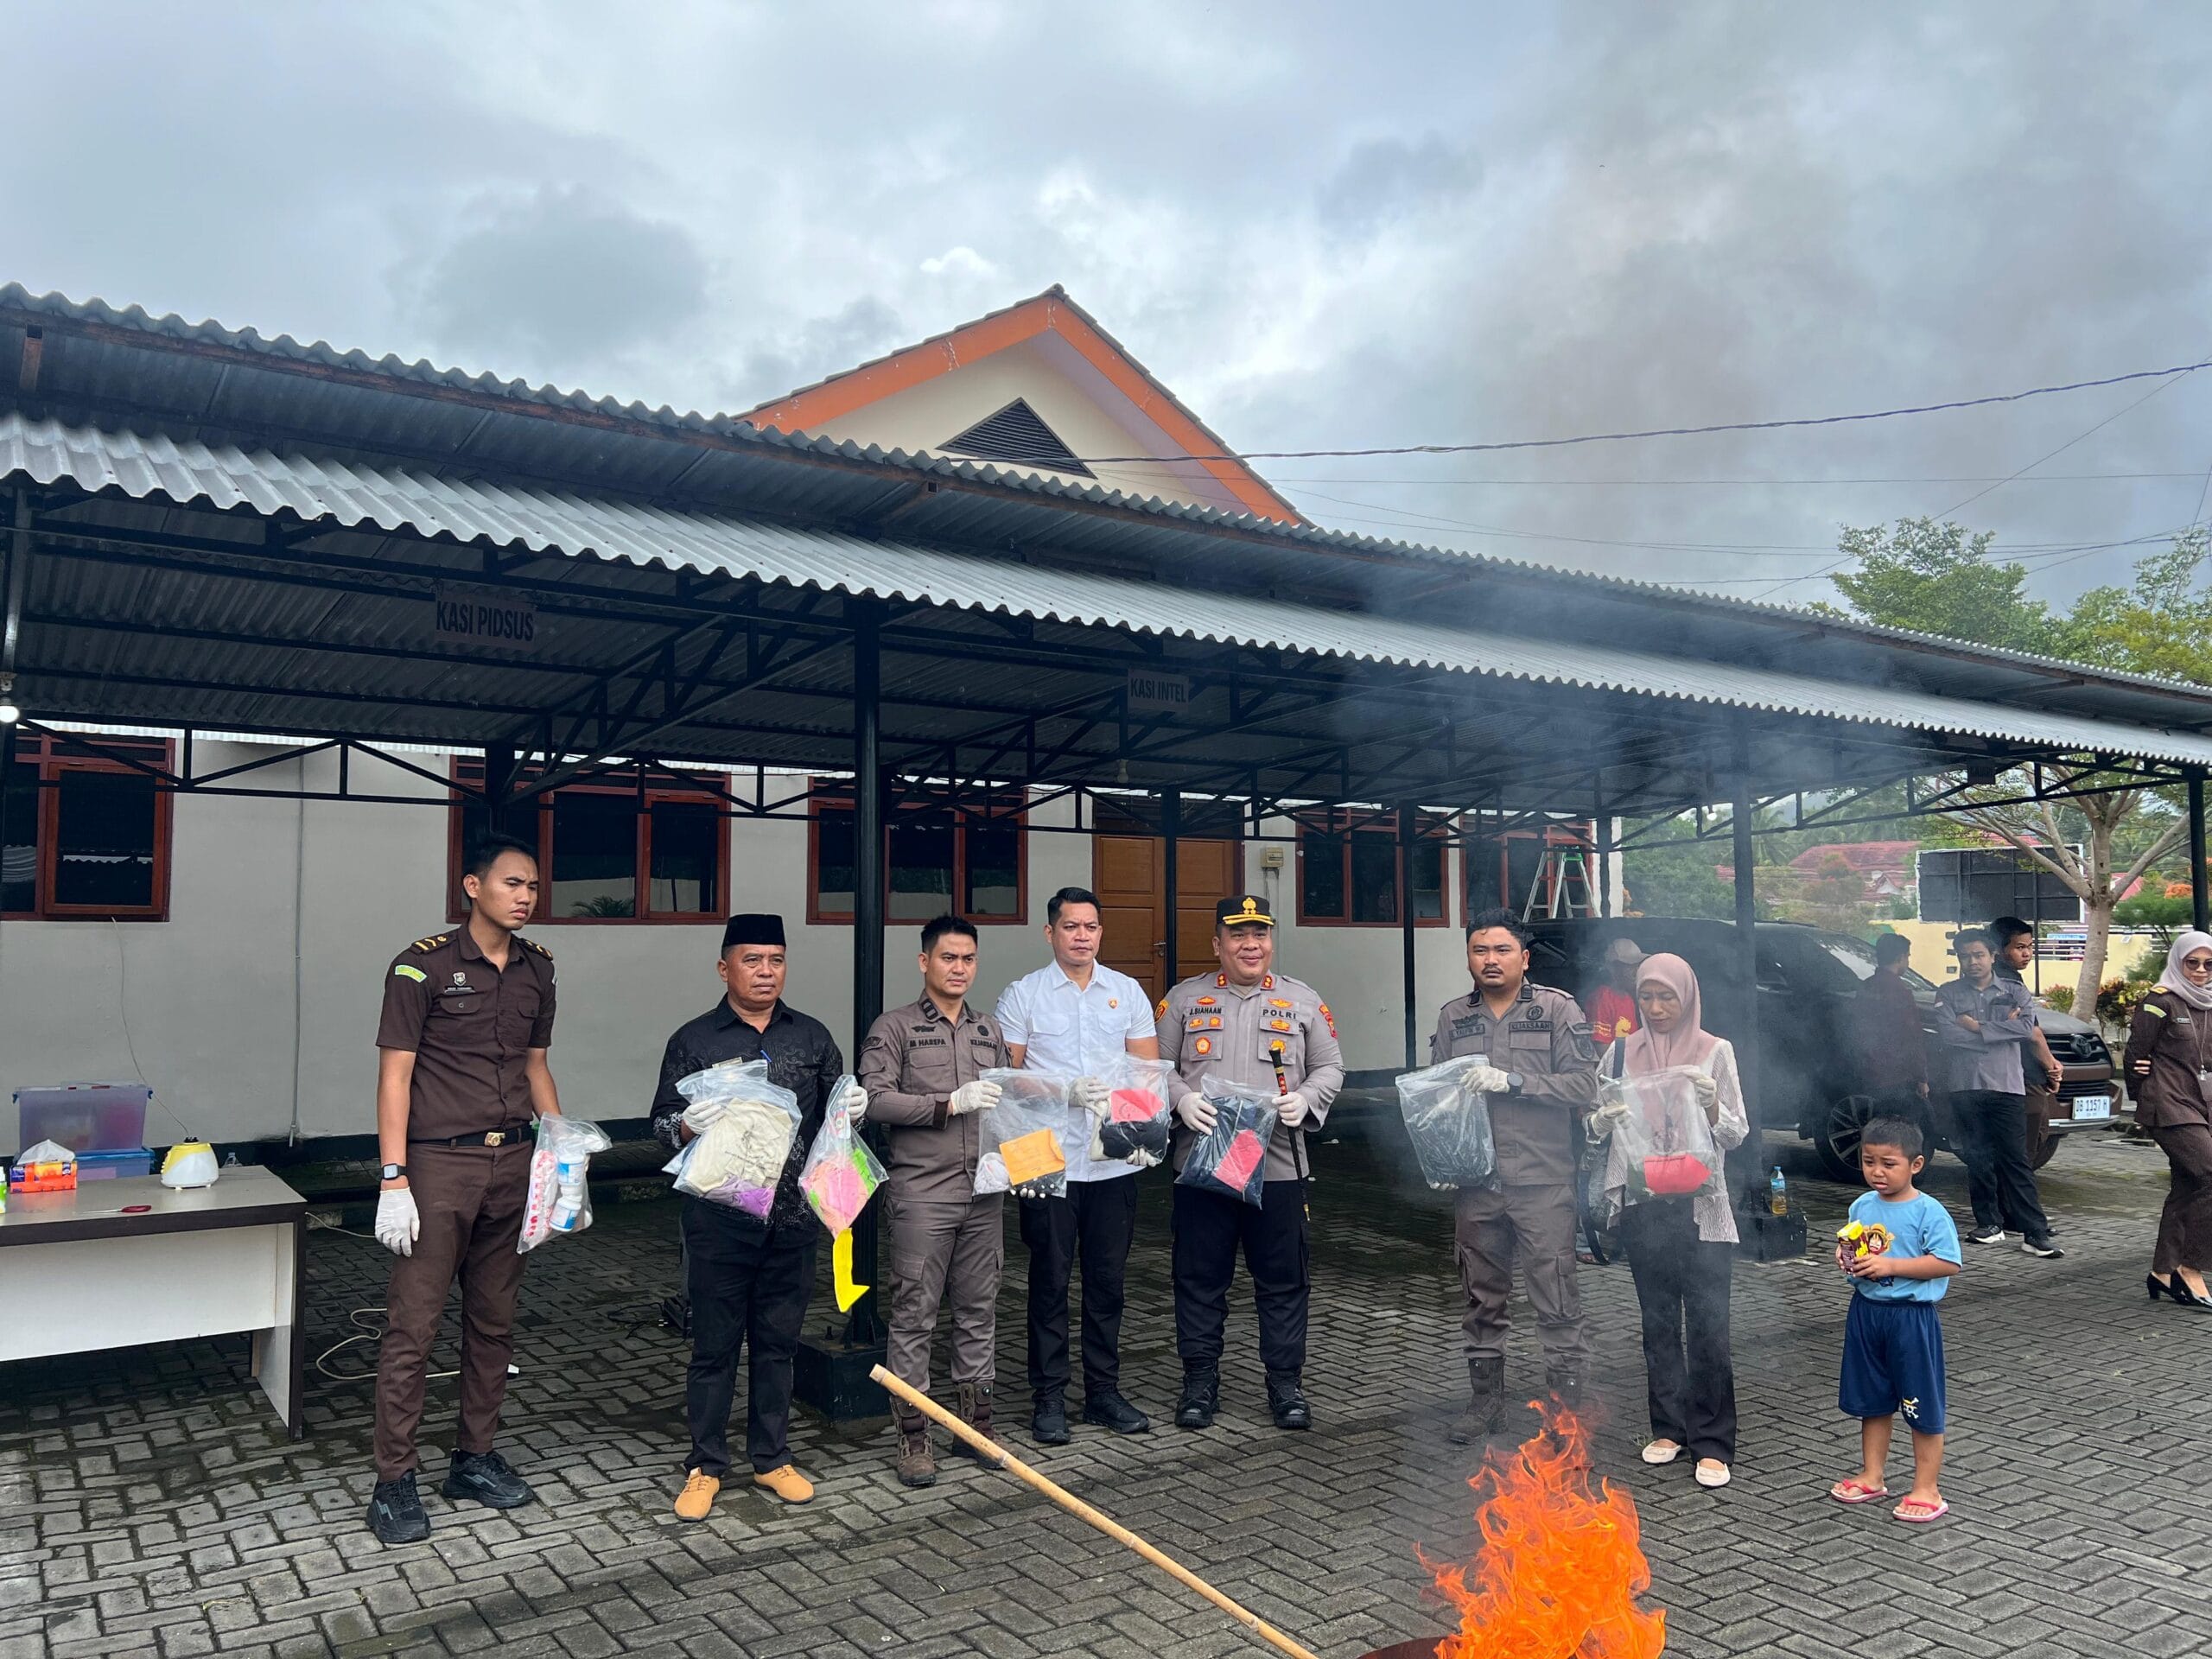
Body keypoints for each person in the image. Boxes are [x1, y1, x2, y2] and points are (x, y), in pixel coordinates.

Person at [367, 834, 561, 1545]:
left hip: (513, 1163)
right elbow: (395, 1076)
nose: (525, 896)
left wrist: (561, 1151)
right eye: (512, 883)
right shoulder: (421, 966)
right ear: (473, 887)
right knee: (413, 1328)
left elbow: (536, 1065)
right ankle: (394, 1479)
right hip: (438, 1167)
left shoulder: (538, 969)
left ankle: (473, 1458)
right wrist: (393, 1177)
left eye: (532, 886)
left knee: (494, 1322)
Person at [652, 914, 852, 1522]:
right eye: (752, 960)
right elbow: (660, 1124)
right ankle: (706, 1465)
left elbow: (835, 1124)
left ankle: (771, 1457)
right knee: (714, 1349)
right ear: (725, 968)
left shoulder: (811, 1037)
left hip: (792, 1222)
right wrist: (688, 1125)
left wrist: (854, 1108)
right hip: (719, 1222)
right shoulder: (694, 1040)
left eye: (776, 960)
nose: (766, 972)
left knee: (777, 1346)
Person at [1157, 894, 1344, 1432]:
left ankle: (1285, 1384)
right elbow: (1153, 1067)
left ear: (1270, 941)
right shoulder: (1184, 999)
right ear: (1217, 943)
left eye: (1259, 933)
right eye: (1237, 934)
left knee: (1283, 1281)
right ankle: (1199, 1383)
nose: (1250, 945)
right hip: (1204, 1165)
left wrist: (1307, 1097)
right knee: (1199, 1278)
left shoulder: (1302, 1001)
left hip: (1279, 1166)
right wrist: (1178, 1100)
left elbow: (1331, 1067)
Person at [995, 886, 1160, 1446]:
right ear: (1050, 933)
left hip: (1112, 1158)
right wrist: (1064, 1090)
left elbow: (1145, 1072)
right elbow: (1008, 1077)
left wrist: (1135, 1126)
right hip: (1043, 1154)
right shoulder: (1024, 995)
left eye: (1091, 927)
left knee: (1107, 1281)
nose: (1082, 936)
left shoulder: (1126, 991)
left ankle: (1102, 1393)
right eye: (1071, 926)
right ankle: (1048, 1397)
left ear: (1100, 932)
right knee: (1048, 1280)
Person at [1432, 906, 1599, 1443]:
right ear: (1468, 958)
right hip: (1477, 1184)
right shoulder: (1453, 1017)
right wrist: (1441, 1157)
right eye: (1480, 950)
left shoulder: (1556, 1009)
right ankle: (1486, 1405)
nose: (1491, 960)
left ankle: (1564, 1416)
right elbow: (1440, 1098)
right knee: (1481, 1299)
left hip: (1542, 1182)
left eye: (1502, 950)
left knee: (1557, 1299)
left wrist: (1515, 1081)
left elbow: (1585, 1085)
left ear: (1524, 958)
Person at [859, 914, 1010, 1487]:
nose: (959, 968)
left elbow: (1011, 1103)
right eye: (948, 957)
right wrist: (948, 1103)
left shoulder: (988, 1030)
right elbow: (875, 1099)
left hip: (983, 1194)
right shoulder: (894, 1027)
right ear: (925, 962)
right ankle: (914, 1437)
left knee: (978, 1312)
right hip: (923, 1194)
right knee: (914, 1316)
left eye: (968, 959)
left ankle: (975, 1428)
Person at [1588, 953, 1748, 1488]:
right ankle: (1669, 1427)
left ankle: (1713, 1440)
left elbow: (1736, 1134)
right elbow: (1595, 1123)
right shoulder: (1619, 1052)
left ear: (1688, 996)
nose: (1656, 1008)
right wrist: (1599, 1122)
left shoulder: (1715, 1051)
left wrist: (1712, 1105)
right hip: (1644, 1205)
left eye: (1667, 997)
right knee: (1657, 1323)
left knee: (1708, 1325)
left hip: (1701, 1208)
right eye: (1647, 996)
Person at [1828, 1116, 1961, 1524]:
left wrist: (1892, 1266)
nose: (1877, 1172)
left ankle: (1927, 1488)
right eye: (1869, 1162)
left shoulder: (1929, 1211)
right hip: (1866, 1313)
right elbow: (1855, 1244)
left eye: (1889, 1163)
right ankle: (1872, 1475)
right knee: (1873, 1400)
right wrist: (1845, 1257)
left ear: (1915, 1165)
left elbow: (1947, 1263)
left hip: (1911, 1319)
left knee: (1921, 1401)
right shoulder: (1861, 1205)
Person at [1933, 930, 2061, 1258]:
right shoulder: (1947, 993)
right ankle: (1989, 1224)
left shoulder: (2014, 990)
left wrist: (1976, 1028)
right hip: (1966, 1086)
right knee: (1977, 1157)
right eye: (1964, 956)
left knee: (2016, 1160)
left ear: (1992, 956)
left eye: (1978, 955)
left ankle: (2034, 1232)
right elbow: (1948, 1036)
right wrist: (2000, 1031)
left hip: (2007, 1086)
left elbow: (2026, 1029)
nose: (1972, 962)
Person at [2124, 931, 2212, 1311]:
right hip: (2169, 1103)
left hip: (2202, 1103)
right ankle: (2190, 1268)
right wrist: (2144, 1096)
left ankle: (2162, 1272)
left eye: (2209, 964)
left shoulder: (2209, 1003)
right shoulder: (2159, 1001)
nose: (2200, 971)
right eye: (2192, 963)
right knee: (2209, 1175)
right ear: (2178, 962)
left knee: (2189, 1184)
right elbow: (2135, 1056)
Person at [1987, 917, 2066, 1167]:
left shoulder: (1987, 978)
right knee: (2025, 1148)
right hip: (2022, 1076)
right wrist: (2052, 1067)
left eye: (2030, 947)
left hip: (2000, 1076)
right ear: (1999, 950)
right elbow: (2032, 1033)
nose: (2027, 954)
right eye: (2019, 947)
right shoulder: (2007, 982)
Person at [1852, 933, 1929, 1119]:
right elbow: (1912, 1036)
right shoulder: (1899, 991)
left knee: (1876, 1121)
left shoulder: (1866, 987)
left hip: (1868, 1070)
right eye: (1908, 956)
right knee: (1900, 1123)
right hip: (1897, 1074)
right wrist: (1921, 1077)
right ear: (1901, 957)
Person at [1586, 937, 1646, 1046]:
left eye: (1637, 966)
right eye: (1630, 966)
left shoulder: (1629, 998)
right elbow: (1601, 1047)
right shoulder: (1603, 997)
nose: (1636, 972)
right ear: (1613, 968)